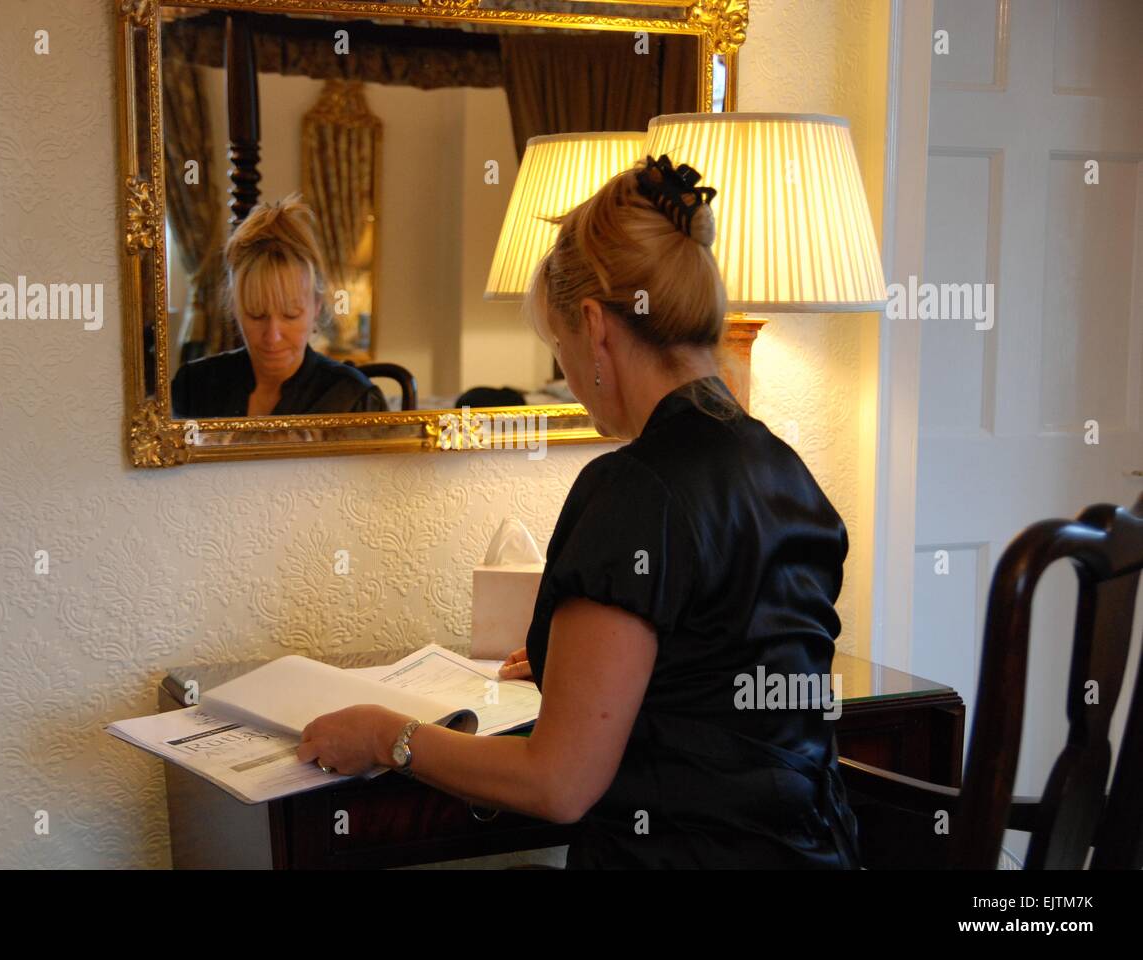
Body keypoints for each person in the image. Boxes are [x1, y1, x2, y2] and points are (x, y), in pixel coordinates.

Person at [295, 155, 859, 869]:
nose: (564, 370)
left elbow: (557, 785)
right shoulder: (785, 469)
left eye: (557, 344)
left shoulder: (633, 490)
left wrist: (387, 736)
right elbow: (720, 667)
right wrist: (579, 663)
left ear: (594, 327)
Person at [170, 194, 386, 418]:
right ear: (235, 309)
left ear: (316, 308)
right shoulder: (193, 387)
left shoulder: (353, 400)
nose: (272, 337)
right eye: (256, 315)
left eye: (291, 315)